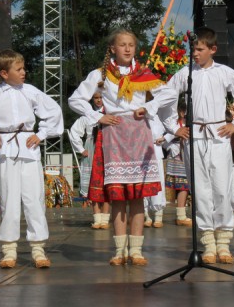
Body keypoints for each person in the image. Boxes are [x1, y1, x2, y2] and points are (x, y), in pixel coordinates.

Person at [152, 27, 234, 264]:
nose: (195, 54)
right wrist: (174, 127)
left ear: (213, 49)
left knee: (221, 188)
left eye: (200, 49)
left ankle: (224, 242)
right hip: (194, 136)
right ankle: (208, 242)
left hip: (219, 134)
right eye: (193, 49)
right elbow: (166, 98)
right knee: (200, 189)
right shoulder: (185, 73)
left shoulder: (224, 73)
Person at [68, 28, 168, 266]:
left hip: (138, 132)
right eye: (122, 45)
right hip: (113, 133)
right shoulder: (101, 74)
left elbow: (168, 95)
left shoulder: (143, 73)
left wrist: (149, 108)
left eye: (131, 45)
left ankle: (136, 251)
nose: (127, 49)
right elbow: (75, 99)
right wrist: (97, 116)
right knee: (118, 197)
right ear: (112, 48)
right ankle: (119, 250)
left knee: (137, 196)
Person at [0, 50, 63, 269]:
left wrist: (41, 134)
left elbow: (53, 112)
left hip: (28, 145)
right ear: (4, 73)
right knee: (8, 197)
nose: (24, 72)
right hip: (6, 147)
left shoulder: (31, 91)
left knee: (33, 198)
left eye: (24, 68)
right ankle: (9, 250)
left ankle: (38, 248)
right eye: (19, 69)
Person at [67, 91, 111, 229]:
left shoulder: (109, 114)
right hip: (92, 149)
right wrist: (81, 149)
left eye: (101, 97)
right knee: (93, 184)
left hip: (106, 149)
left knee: (106, 183)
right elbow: (74, 132)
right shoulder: (87, 116)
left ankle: (105, 219)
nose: (98, 100)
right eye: (96, 98)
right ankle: (97, 219)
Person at [163, 98, 192, 227]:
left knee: (185, 185)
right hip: (177, 156)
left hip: (187, 155)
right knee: (182, 185)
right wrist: (172, 144)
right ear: (181, 112)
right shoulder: (174, 124)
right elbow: (163, 139)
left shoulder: (190, 124)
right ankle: (180, 215)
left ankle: (182, 214)